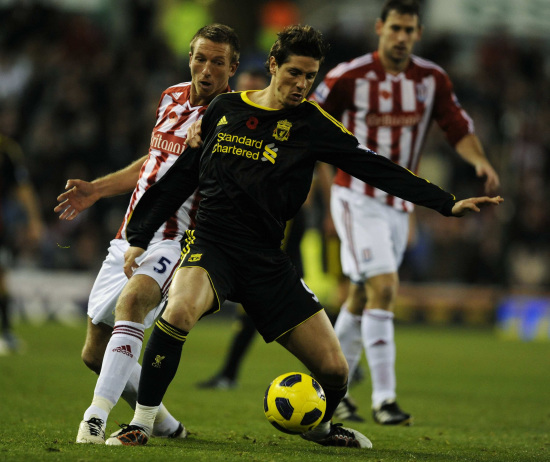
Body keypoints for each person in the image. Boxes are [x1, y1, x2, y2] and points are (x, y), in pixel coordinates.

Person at [106, 24, 502, 449]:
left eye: (309, 76)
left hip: (266, 261)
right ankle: (142, 423)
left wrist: (446, 202)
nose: (301, 84)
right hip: (211, 246)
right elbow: (180, 176)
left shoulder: (312, 123)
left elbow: (374, 166)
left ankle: (321, 427)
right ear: (273, 65)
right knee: (179, 310)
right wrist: (140, 234)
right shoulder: (224, 109)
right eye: (294, 72)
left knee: (335, 370)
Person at [310, 0, 500, 425]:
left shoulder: (431, 79)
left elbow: (457, 125)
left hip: (399, 203)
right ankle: (385, 399)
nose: (401, 37)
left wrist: (479, 162)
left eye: (409, 30)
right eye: (394, 28)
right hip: (355, 196)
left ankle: (329, 390)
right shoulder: (348, 77)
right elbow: (310, 125)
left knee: (361, 296)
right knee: (385, 287)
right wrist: (319, 195)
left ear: (418, 33)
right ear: (380, 28)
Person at [54, 24, 240, 444]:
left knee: (134, 299)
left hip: (178, 237)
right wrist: (96, 190)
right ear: (189, 58)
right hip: (132, 232)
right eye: (200, 58)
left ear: (233, 67)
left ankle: (95, 417)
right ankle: (167, 424)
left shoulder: (233, 113)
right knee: (94, 353)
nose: (206, 69)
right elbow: (153, 162)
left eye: (217, 62)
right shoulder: (171, 97)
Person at [195, 67, 271, 390]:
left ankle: (229, 372)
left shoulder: (280, 122)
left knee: (261, 300)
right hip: (226, 225)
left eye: (256, 89)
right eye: (245, 89)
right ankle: (228, 373)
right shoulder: (224, 115)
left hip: (273, 227)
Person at [0, 134, 44, 355]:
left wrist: (34, 220)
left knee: (1, 276)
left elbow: (22, 187)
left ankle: (6, 332)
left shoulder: (6, 150)